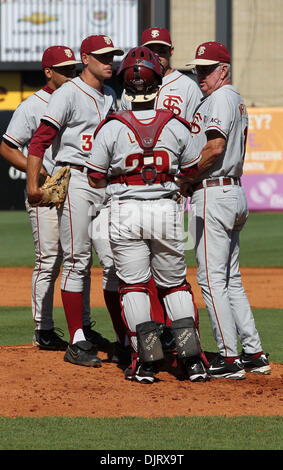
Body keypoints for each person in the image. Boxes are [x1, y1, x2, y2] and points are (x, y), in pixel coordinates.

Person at [86, 46, 209, 384]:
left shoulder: (111, 126)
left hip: (124, 211)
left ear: (125, 87)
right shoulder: (175, 124)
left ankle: (146, 363)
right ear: (160, 83)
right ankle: (192, 361)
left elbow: (95, 176)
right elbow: (194, 167)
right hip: (166, 210)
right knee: (173, 286)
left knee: (134, 288)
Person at [26, 35, 128, 367]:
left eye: (112, 56)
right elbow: (39, 141)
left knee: (115, 262)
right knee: (77, 260)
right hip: (79, 179)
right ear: (85, 58)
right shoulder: (68, 92)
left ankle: (124, 338)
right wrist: (32, 185)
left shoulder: (112, 96)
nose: (109, 61)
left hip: (109, 183)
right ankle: (77, 341)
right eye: (102, 57)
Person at [181, 41, 271, 379]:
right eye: (198, 69)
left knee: (211, 278)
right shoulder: (234, 99)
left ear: (224, 70)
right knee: (232, 279)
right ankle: (254, 352)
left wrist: (185, 177)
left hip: (214, 192)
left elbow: (215, 147)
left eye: (207, 69)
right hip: (233, 192)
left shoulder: (220, 97)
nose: (200, 74)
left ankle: (229, 358)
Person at [120, 27, 203, 351]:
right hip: (153, 188)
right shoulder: (132, 87)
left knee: (161, 273)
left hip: (166, 183)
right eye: (152, 48)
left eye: (162, 48)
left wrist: (186, 181)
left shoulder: (186, 85)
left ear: (170, 49)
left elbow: (194, 132)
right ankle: (164, 339)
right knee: (154, 274)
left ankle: (163, 342)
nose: (159, 52)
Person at [0, 46, 83, 351]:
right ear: (48, 72)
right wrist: (40, 170)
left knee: (78, 259)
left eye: (73, 68)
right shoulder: (31, 106)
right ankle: (43, 328)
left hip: (78, 189)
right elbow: (7, 148)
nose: (71, 73)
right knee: (49, 259)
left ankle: (82, 328)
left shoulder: (81, 97)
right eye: (64, 69)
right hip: (47, 192)